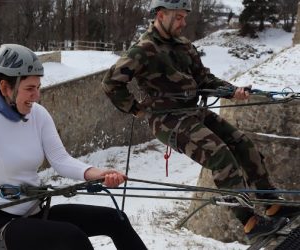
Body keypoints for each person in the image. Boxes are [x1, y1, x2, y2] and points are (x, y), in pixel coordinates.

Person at [102, 0, 298, 241]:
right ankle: (250, 223)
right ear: (161, 15)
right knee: (220, 155)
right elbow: (111, 83)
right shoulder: (143, 49)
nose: (183, 23)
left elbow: (204, 79)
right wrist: (136, 109)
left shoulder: (184, 46)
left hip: (193, 112)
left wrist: (231, 90)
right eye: (178, 18)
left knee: (243, 144)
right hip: (168, 120)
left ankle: (272, 204)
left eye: (184, 17)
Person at [0, 44, 147, 250]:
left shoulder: (37, 115)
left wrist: (99, 174)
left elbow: (61, 160)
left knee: (115, 219)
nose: (36, 95)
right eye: (29, 89)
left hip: (37, 211)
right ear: (5, 87)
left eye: (38, 87)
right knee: (72, 239)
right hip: (0, 221)